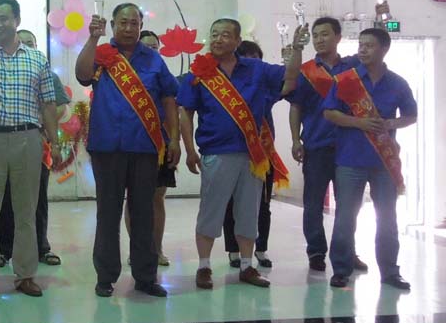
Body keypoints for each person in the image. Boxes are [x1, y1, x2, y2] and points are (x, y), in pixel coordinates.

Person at [178, 17, 306, 290]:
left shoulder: (256, 69)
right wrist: (189, 150)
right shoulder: (199, 73)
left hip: (253, 155)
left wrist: (296, 48)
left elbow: (290, 77)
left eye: (225, 35)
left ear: (237, 41)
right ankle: (204, 266)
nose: (218, 39)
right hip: (216, 152)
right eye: (214, 34)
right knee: (211, 211)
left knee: (249, 212)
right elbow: (185, 113)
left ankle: (247, 266)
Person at [75, 4, 180, 298]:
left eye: (134, 23)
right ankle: (105, 276)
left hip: (145, 147)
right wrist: (93, 38)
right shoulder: (101, 54)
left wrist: (174, 139)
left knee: (143, 213)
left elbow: (169, 99)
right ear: (112, 25)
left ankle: (145, 277)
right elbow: (82, 74)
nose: (129, 28)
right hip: (107, 146)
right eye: (123, 23)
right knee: (107, 214)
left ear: (141, 25)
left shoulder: (154, 59)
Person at [0, 0, 58, 298]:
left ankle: (25, 275)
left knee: (26, 212)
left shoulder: (37, 58)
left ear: (17, 21)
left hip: (28, 139)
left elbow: (48, 103)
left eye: (4, 18)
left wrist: (55, 140)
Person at [324, 27, 417, 290]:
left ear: (384, 49)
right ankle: (341, 270)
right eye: (361, 45)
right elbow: (329, 113)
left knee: (387, 218)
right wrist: (359, 122)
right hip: (350, 160)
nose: (362, 50)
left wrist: (390, 123)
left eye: (369, 45)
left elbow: (411, 115)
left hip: (383, 163)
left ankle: (390, 272)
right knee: (345, 218)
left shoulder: (398, 83)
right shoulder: (346, 80)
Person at [288, 16, 367, 274]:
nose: (319, 40)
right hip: (316, 145)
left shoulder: (353, 66)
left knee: (349, 205)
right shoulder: (305, 71)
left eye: (325, 34)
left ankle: (347, 251)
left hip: (349, 146)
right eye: (315, 35)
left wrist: (383, 17)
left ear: (338, 37)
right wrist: (295, 139)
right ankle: (316, 251)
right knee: (313, 204)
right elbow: (296, 107)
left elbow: (376, 51)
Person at [0, 29, 70, 267]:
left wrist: (38, 122)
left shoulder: (47, 73)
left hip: (37, 144)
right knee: (5, 199)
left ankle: (41, 248)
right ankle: (3, 250)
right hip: (6, 144)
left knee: (37, 200)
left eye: (31, 43)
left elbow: (60, 107)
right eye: (23, 43)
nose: (27, 46)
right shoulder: (4, 71)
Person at [222, 40, 278, 269]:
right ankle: (233, 250)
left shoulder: (266, 85)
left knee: (262, 204)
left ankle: (261, 248)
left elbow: (288, 83)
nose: (252, 62)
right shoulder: (225, 87)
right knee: (231, 203)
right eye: (246, 58)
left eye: (256, 58)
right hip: (232, 152)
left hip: (262, 154)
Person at [122, 29, 176, 267]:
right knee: (133, 199)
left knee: (157, 198)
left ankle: (156, 249)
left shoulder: (161, 72)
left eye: (155, 47)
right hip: (131, 144)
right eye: (146, 47)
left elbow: (173, 106)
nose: (151, 50)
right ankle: (136, 250)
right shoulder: (123, 76)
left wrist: (174, 140)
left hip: (159, 144)